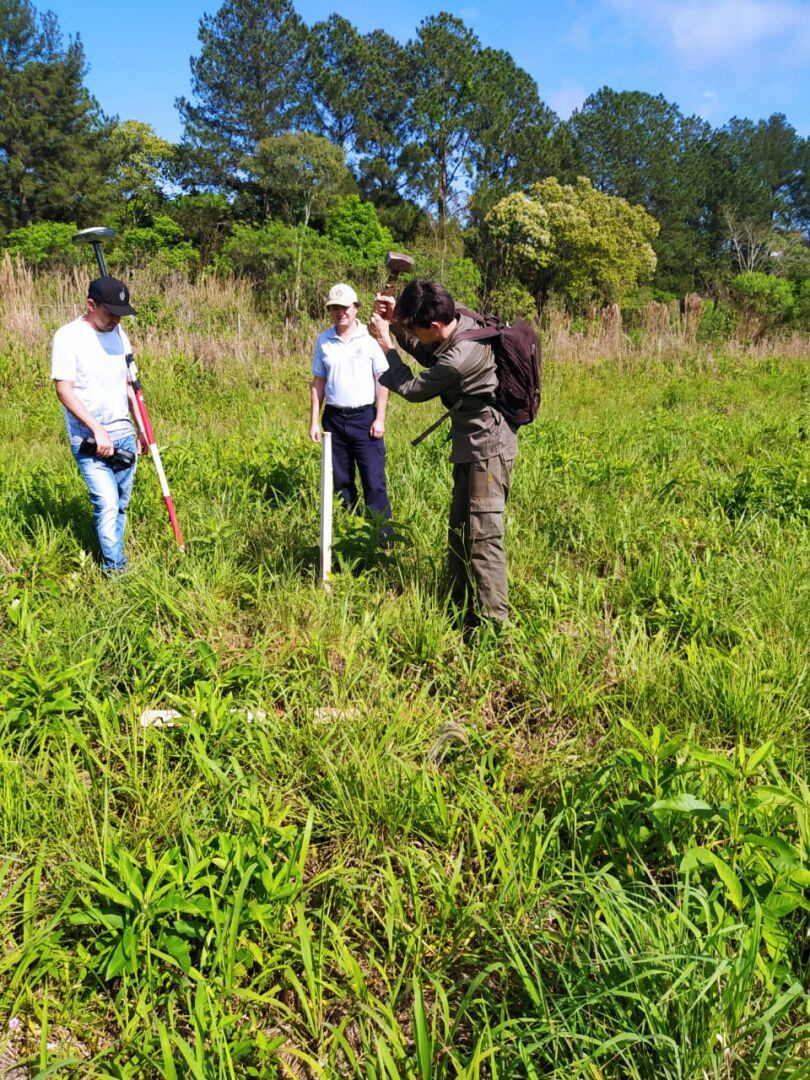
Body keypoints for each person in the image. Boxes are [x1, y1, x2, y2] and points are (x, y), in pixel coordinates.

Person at [370, 280, 518, 625]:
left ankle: (495, 627)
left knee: (484, 539)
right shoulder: (460, 322)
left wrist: (386, 344)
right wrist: (398, 323)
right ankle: (460, 609)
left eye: (416, 328)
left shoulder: (460, 356)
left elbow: (413, 387)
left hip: (488, 449)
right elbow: (429, 348)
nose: (414, 333)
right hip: (473, 444)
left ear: (434, 325)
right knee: (460, 531)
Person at [51, 276, 146, 573]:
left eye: (121, 314)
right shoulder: (68, 337)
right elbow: (64, 389)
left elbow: (129, 385)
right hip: (89, 439)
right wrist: (96, 428)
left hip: (124, 434)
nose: (116, 320)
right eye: (110, 313)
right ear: (91, 305)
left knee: (120, 505)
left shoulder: (121, 335)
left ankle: (113, 556)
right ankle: (115, 569)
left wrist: (141, 429)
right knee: (106, 502)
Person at [310, 283, 392, 539]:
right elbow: (318, 382)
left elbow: (382, 379)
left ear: (355, 308)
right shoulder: (324, 341)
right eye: (334, 308)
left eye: (344, 307)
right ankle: (350, 536)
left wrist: (379, 418)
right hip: (334, 420)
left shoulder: (369, 339)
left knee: (374, 483)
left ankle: (383, 543)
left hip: (365, 420)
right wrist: (314, 421)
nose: (339, 312)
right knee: (341, 484)